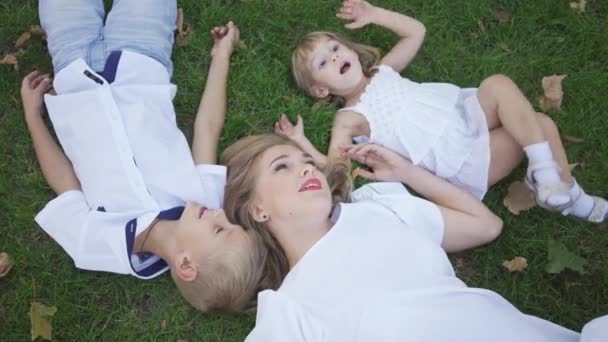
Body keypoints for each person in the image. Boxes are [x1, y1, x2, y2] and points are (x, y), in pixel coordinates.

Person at [220, 133, 607, 341]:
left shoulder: (377, 207)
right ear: (257, 209)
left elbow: (486, 225)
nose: (306, 168)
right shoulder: (288, 310)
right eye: (282, 167)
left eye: (306, 161)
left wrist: (407, 173)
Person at [21, 0, 266, 312]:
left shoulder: (100, 247)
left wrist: (33, 117)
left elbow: (66, 185)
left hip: (73, 65)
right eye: (230, 221)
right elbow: (207, 127)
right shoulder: (205, 198)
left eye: (220, 229)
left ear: (186, 264)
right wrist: (222, 56)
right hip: (140, 53)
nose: (220, 213)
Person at [277, 0, 607, 223]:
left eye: (335, 47)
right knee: (543, 125)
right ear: (321, 90)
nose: (335, 57)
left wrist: (374, 13)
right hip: (461, 159)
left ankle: (552, 182)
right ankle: (577, 201)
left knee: (497, 84)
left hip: (465, 116)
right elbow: (337, 166)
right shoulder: (349, 117)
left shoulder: (383, 71)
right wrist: (301, 143)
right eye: (323, 62)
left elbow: (415, 31)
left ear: (348, 47)